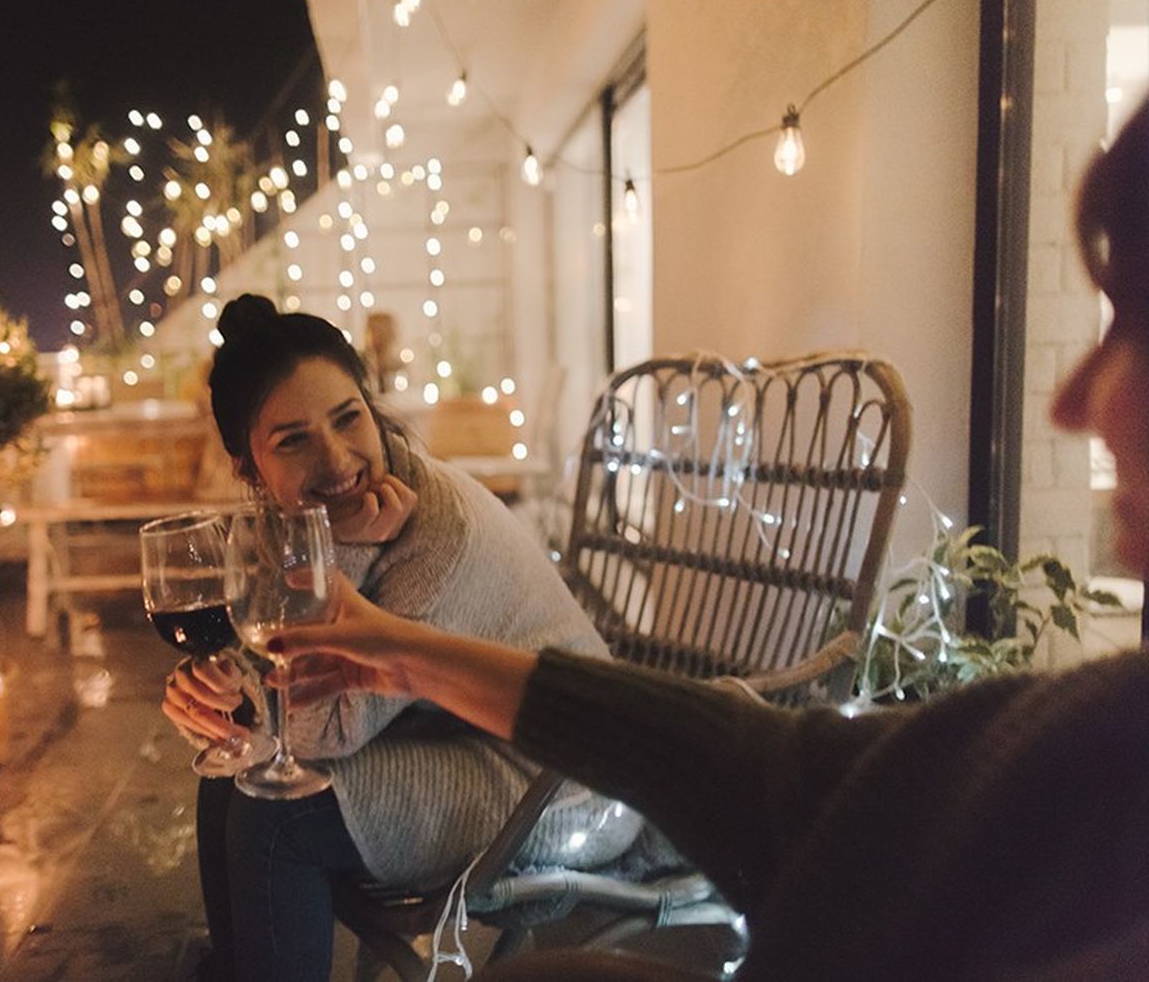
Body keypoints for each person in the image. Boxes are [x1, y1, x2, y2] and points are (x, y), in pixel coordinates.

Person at [272, 97, 1149, 981]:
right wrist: (411, 654)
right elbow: (777, 771)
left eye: (1133, 322)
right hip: (557, 756)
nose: (1072, 400)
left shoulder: (434, 518)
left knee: (287, 822)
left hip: (541, 796)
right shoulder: (1100, 723)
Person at [160, 294, 642, 981]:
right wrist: (221, 699)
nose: (336, 459)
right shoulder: (296, 523)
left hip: (560, 777)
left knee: (278, 819)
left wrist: (344, 554)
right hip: (456, 741)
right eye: (292, 439)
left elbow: (324, 727)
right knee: (234, 771)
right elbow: (273, 670)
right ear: (249, 469)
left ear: (371, 404)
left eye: (347, 417)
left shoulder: (433, 527)